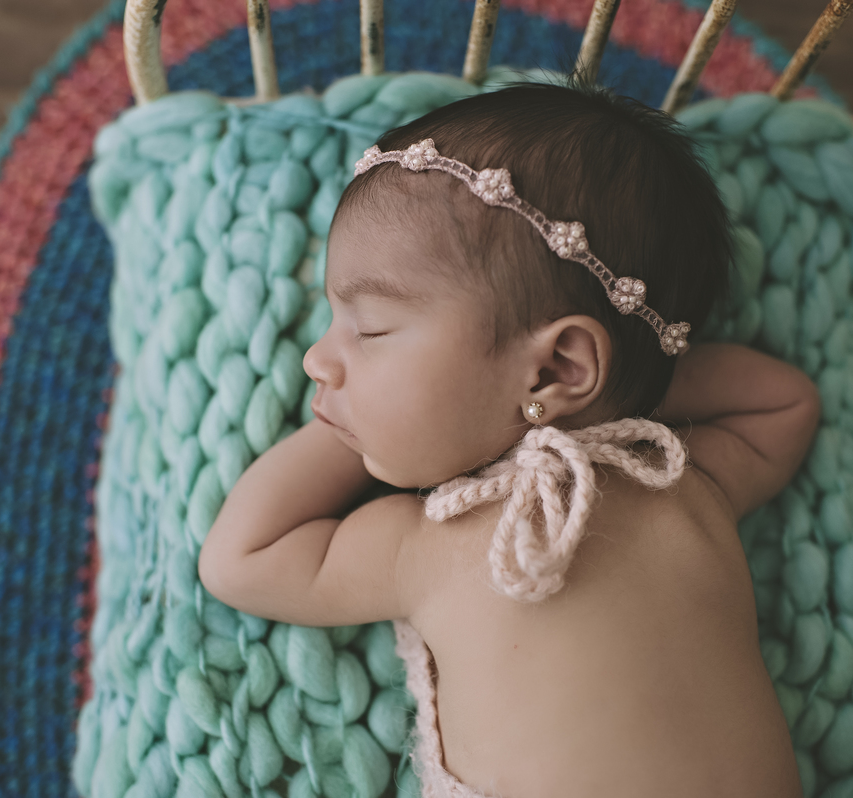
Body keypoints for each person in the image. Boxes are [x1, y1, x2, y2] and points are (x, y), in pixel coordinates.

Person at [198, 83, 818, 798]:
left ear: (560, 363)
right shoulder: (674, 488)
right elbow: (782, 403)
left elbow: (242, 556)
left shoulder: (450, 541)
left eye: (369, 329)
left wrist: (606, 392)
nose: (317, 359)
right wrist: (357, 417)